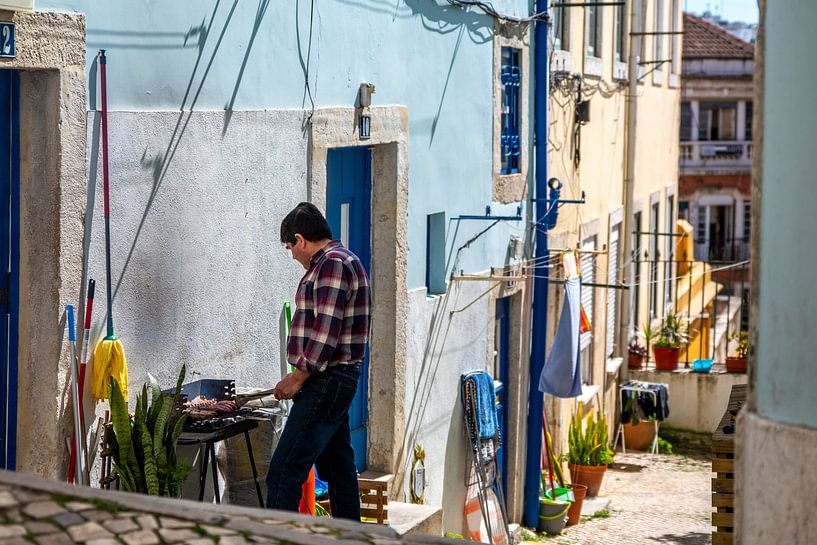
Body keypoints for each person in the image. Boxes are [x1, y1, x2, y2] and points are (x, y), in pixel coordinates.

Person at [266, 202, 371, 521]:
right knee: (338, 468)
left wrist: (296, 378)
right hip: (334, 380)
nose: (293, 256)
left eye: (290, 248)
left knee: (284, 471)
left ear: (299, 239)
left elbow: (326, 331)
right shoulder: (344, 260)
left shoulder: (331, 264)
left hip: (326, 381)